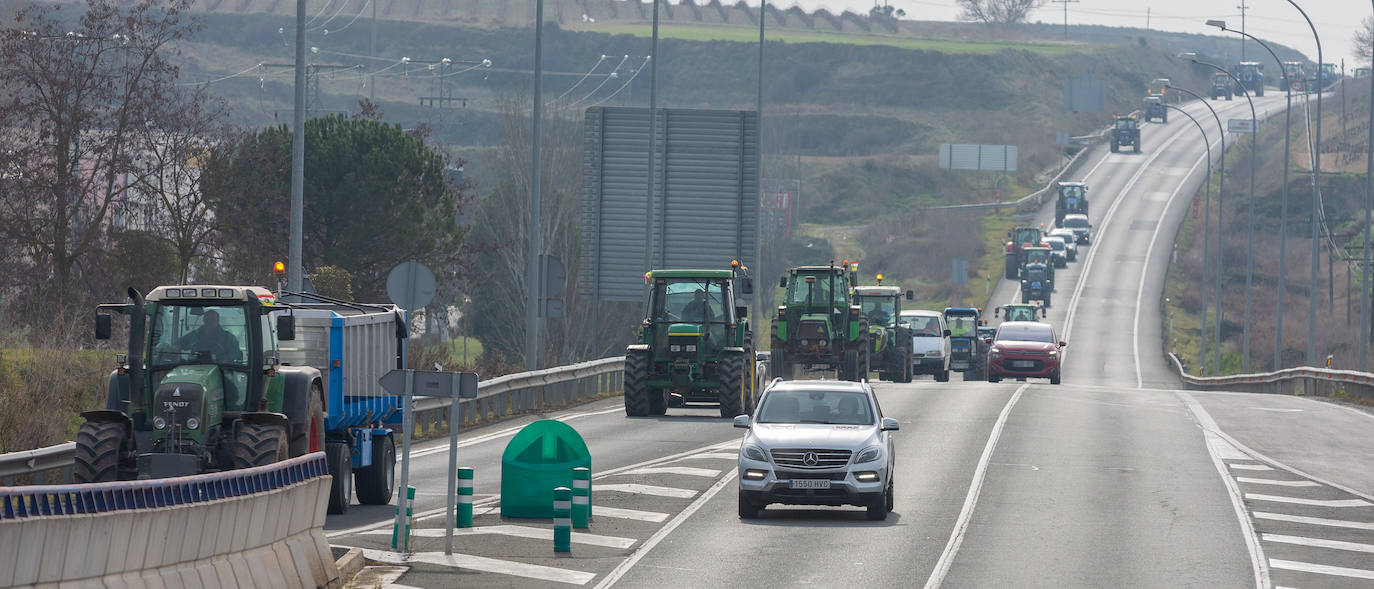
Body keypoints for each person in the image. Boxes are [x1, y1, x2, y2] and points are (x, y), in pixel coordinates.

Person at [178, 310, 242, 363]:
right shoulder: (194, 335)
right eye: (207, 319)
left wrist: (225, 360)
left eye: (212, 319)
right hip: (194, 368)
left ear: (217, 320)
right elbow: (178, 344)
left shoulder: (227, 337)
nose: (209, 322)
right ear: (204, 320)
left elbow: (235, 353)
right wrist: (176, 347)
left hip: (221, 369)